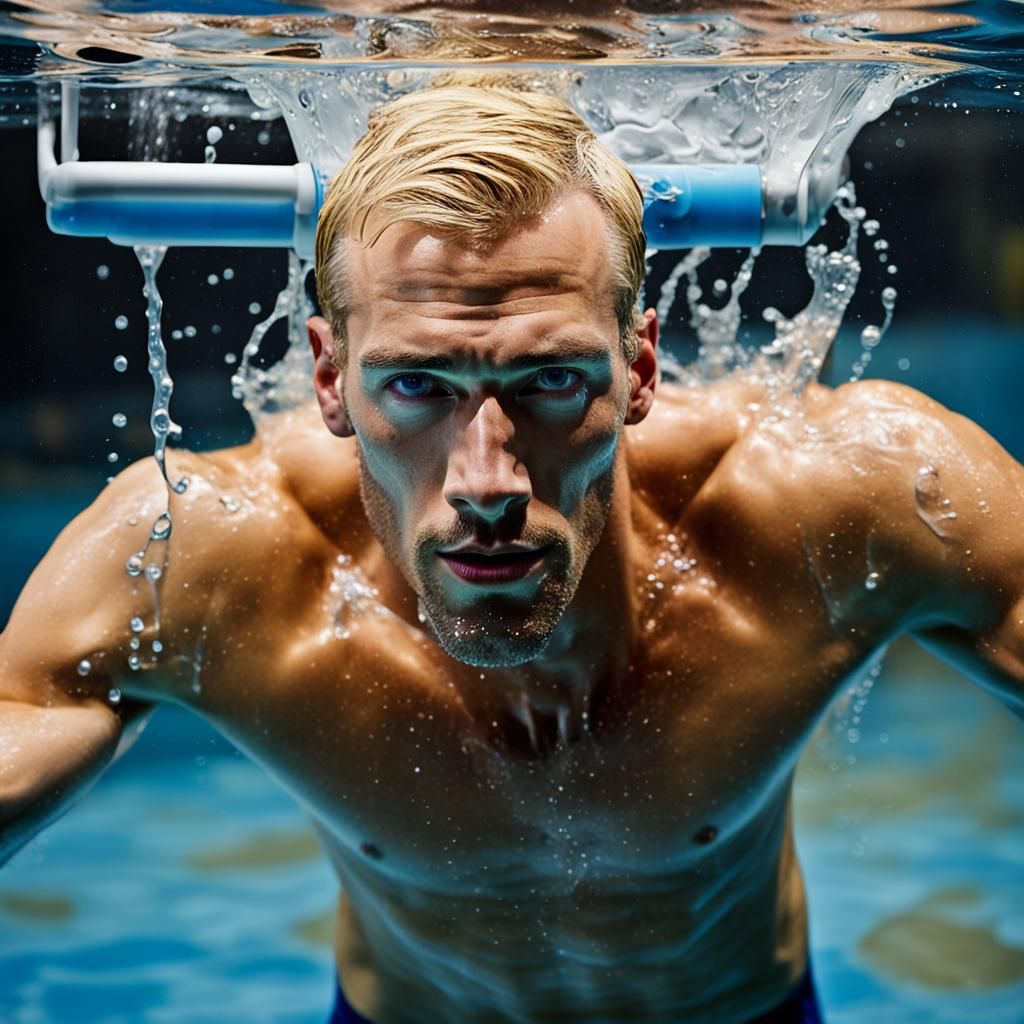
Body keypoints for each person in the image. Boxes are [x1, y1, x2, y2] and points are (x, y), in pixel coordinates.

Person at [1, 79, 1022, 1024]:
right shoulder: (208, 557)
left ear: (639, 366)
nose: (485, 481)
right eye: (415, 387)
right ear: (328, 376)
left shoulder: (841, 499)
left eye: (549, 383)